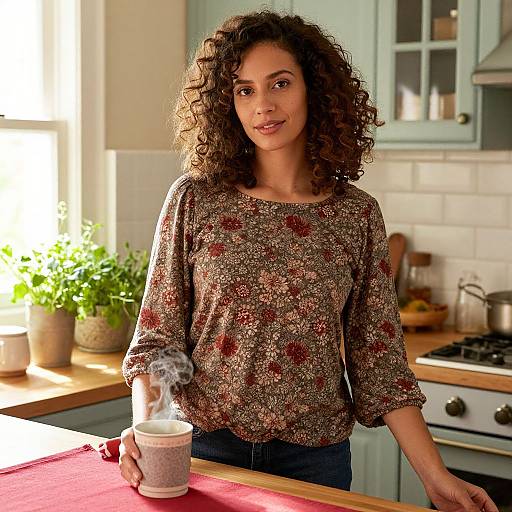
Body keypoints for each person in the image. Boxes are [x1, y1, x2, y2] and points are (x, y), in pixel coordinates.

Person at [118, 10, 498, 512]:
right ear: (224, 103)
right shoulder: (195, 198)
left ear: (313, 89)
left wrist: (435, 476)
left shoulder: (355, 215)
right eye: (244, 89)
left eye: (280, 83)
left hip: (313, 458)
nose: (264, 106)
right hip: (204, 448)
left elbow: (379, 362)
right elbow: (158, 340)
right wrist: (151, 430)